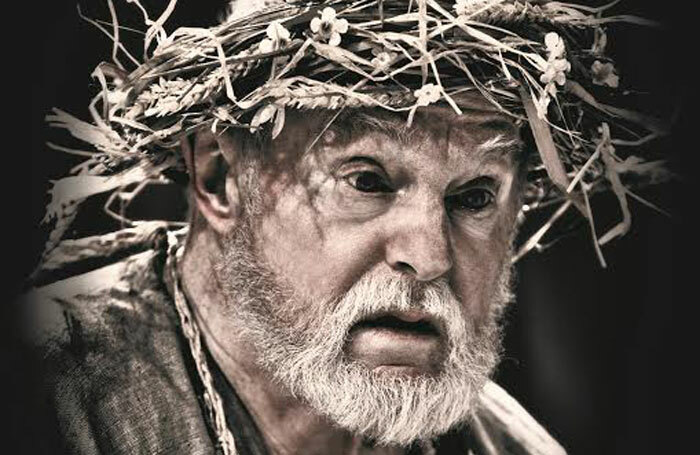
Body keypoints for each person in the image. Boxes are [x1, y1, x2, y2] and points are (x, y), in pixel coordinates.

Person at [23, 1, 671, 454]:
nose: (429, 255)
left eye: (474, 196)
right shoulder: (45, 404)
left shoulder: (509, 446)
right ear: (220, 177)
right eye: (367, 180)